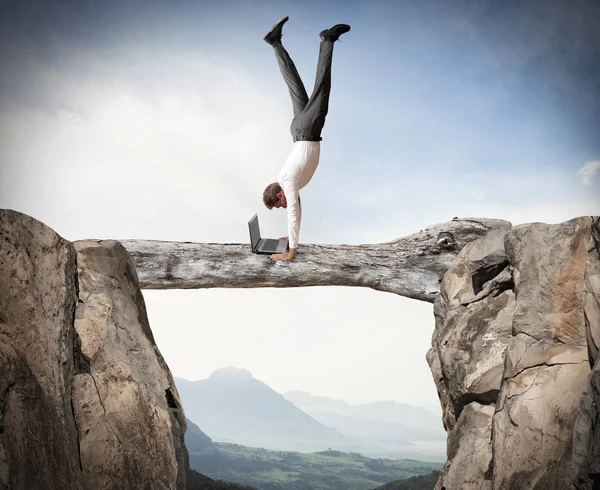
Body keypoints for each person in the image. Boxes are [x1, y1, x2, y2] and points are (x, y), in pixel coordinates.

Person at [262, 17, 350, 261]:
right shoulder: (287, 180)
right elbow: (297, 208)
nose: (284, 204)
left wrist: (291, 253)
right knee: (294, 85)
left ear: (279, 195)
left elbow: (293, 213)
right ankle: (275, 43)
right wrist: (289, 239)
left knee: (323, 88)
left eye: (280, 204)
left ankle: (327, 40)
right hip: (299, 131)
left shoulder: (288, 181)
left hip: (308, 130)